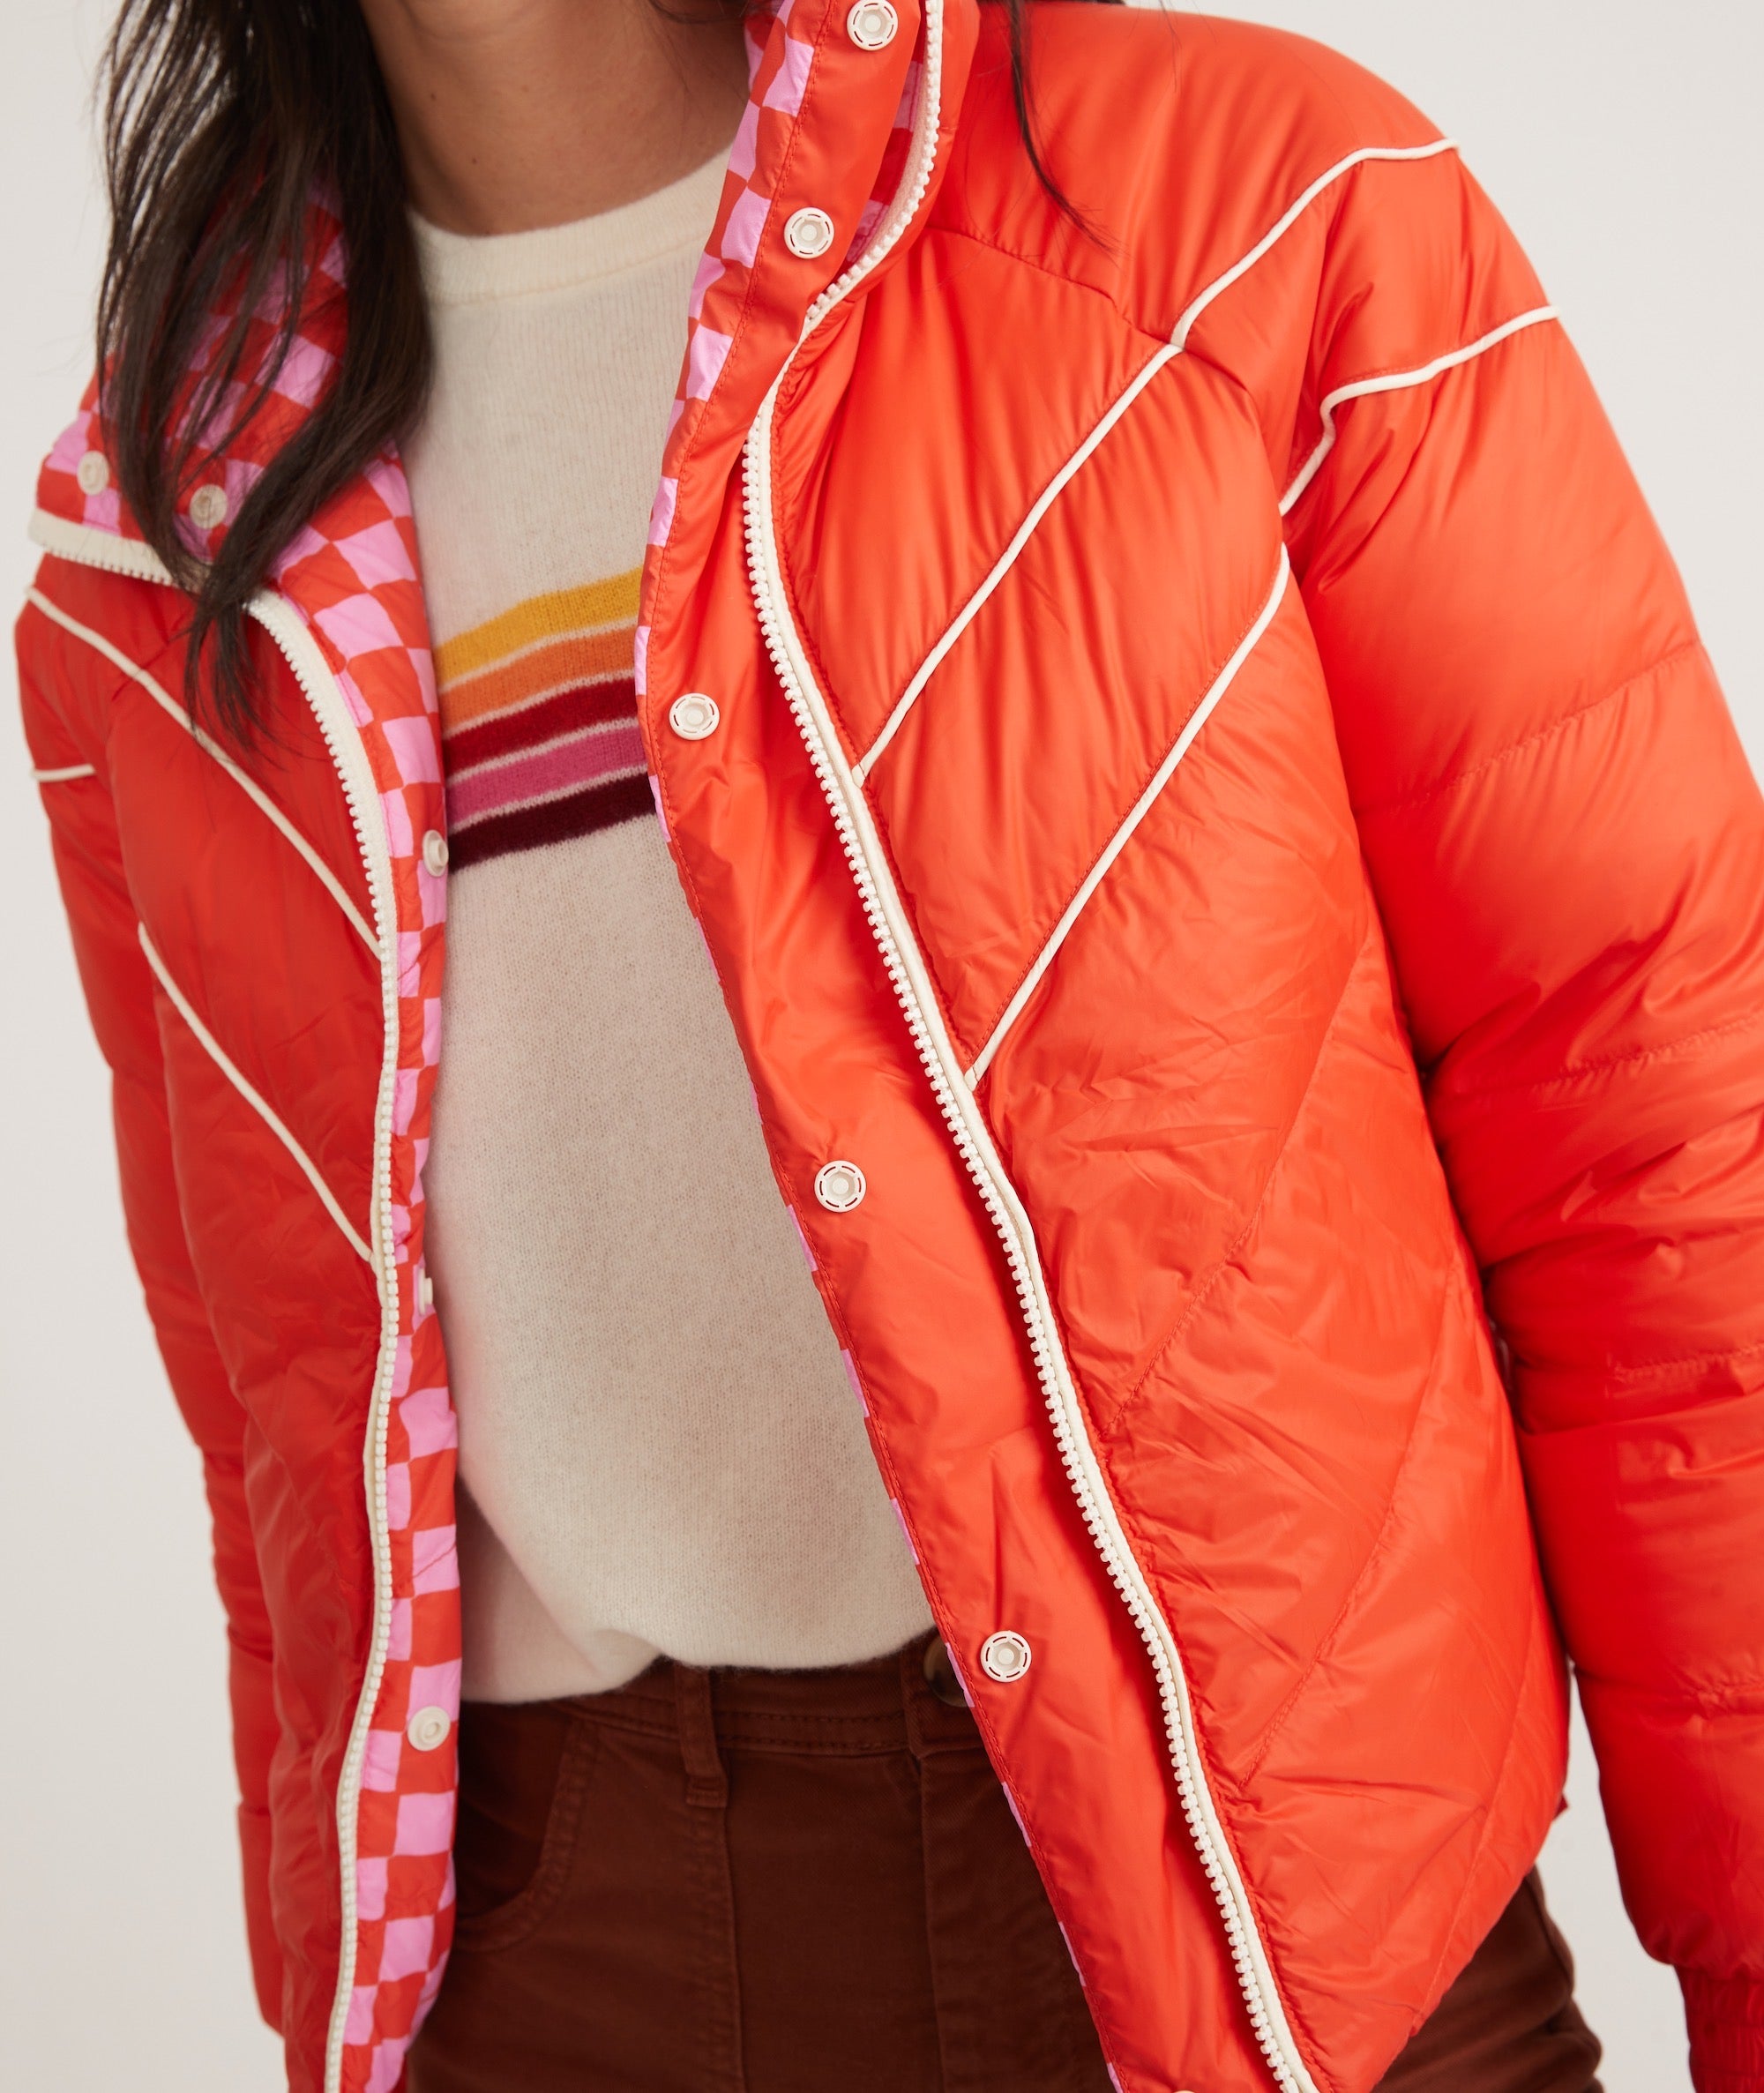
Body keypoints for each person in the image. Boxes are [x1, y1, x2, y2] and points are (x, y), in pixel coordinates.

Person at [16, 0, 1763, 2086]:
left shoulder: (1238, 212)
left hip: (1294, 1909)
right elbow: (282, 1419)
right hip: (570, 1959)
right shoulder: (154, 526)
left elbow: (1653, 1141)